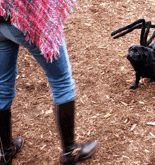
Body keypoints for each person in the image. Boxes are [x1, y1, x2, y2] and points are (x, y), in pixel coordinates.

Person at [0, 0, 98, 165]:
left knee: (2, 86)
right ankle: (70, 151)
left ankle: (4, 152)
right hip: (25, 20)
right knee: (62, 82)